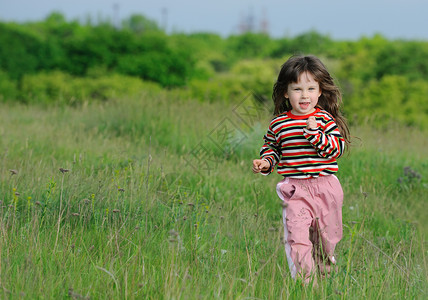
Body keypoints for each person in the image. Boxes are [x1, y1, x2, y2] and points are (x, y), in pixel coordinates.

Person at [252, 55, 351, 284]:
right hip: (295, 189)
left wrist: (315, 134)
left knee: (327, 241)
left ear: (319, 92)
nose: (304, 95)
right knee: (297, 238)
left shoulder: (325, 119)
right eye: (297, 89)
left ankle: (326, 278)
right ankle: (307, 285)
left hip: (326, 188)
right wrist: (266, 162)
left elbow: (336, 150)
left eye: (310, 88)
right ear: (286, 92)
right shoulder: (279, 124)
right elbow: (272, 148)